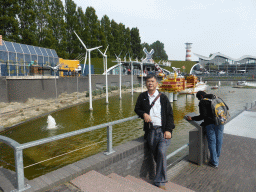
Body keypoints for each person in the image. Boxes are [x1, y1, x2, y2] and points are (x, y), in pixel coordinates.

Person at [134, 74, 175, 190]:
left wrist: (168, 130)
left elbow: (170, 115)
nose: (150, 83)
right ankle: (161, 174)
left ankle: (160, 182)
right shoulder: (142, 96)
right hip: (151, 131)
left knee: (161, 152)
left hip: (162, 131)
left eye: (152, 81)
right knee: (157, 156)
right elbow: (137, 108)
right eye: (148, 81)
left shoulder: (163, 98)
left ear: (156, 84)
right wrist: (144, 114)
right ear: (146, 84)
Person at [186, 91, 225, 168]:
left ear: (201, 96)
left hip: (210, 124)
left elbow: (202, 116)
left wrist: (192, 118)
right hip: (221, 122)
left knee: (212, 142)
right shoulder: (216, 97)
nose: (199, 99)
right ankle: (216, 157)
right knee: (219, 140)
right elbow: (226, 108)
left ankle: (214, 162)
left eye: (198, 98)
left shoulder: (203, 102)